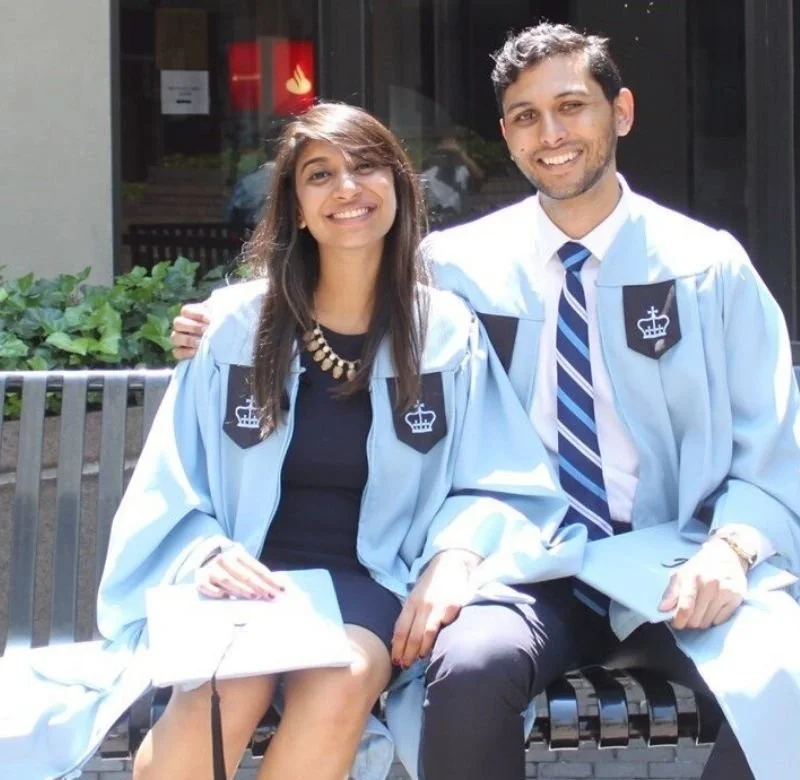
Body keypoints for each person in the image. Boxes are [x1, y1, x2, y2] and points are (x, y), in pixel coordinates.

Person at [170, 24, 800, 780]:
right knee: (470, 669)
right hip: (525, 566)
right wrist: (233, 310)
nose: (552, 134)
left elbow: (770, 445)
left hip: (677, 556)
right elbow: (343, 279)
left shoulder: (707, 267)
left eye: (572, 106)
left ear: (623, 113)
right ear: (507, 137)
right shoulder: (456, 267)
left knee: (779, 680)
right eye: (525, 117)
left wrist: (731, 550)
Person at [0, 102, 585, 780]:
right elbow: (174, 477)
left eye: (366, 167)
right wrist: (204, 553)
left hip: (366, 578)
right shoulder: (237, 331)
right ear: (297, 207)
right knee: (226, 685)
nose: (347, 189)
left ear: (397, 186)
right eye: (320, 175)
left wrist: (455, 554)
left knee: (342, 676)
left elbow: (499, 476)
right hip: (248, 575)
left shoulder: (445, 333)